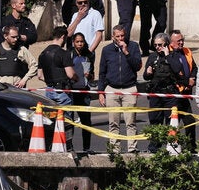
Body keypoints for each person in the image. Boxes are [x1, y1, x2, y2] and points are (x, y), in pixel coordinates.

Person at [98, 24, 143, 153]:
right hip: (112, 89)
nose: (120, 38)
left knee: (130, 122)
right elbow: (102, 72)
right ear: (113, 36)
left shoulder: (133, 46)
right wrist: (101, 93)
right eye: (117, 36)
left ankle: (132, 148)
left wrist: (126, 52)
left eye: (122, 35)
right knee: (113, 123)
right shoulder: (107, 50)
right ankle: (115, 149)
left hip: (129, 89)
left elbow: (137, 66)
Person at [143, 32, 188, 150]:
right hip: (156, 93)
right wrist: (147, 73)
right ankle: (154, 148)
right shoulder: (153, 57)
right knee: (155, 121)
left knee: (171, 122)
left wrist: (168, 56)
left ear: (166, 44)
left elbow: (178, 69)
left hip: (170, 94)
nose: (157, 47)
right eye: (155, 45)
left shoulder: (173, 55)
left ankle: (172, 147)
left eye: (160, 45)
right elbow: (145, 77)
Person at [37, 26, 77, 151]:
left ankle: (53, 146)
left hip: (49, 91)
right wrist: (77, 78)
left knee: (52, 121)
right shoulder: (63, 54)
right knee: (67, 121)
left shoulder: (42, 54)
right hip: (62, 91)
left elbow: (40, 76)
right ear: (63, 37)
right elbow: (70, 74)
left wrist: (50, 81)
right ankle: (68, 146)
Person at [168, 30, 197, 146]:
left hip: (185, 93)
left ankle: (191, 147)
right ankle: (172, 148)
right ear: (171, 42)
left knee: (190, 122)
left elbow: (194, 67)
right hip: (174, 94)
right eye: (178, 41)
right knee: (173, 123)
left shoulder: (187, 51)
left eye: (182, 40)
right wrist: (186, 82)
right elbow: (173, 74)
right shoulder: (168, 54)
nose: (181, 43)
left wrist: (192, 79)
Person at [69, 32, 96, 152]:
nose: (80, 44)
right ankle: (69, 147)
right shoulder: (69, 55)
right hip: (71, 91)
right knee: (69, 121)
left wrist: (89, 75)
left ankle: (87, 148)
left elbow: (92, 76)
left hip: (84, 92)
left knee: (86, 122)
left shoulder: (88, 56)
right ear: (73, 43)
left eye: (82, 41)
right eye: (77, 41)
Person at [0, 25, 38, 90]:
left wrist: (24, 80)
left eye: (17, 37)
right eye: (13, 37)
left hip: (17, 88)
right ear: (5, 36)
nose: (16, 39)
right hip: (0, 88)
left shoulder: (21, 49)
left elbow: (34, 65)